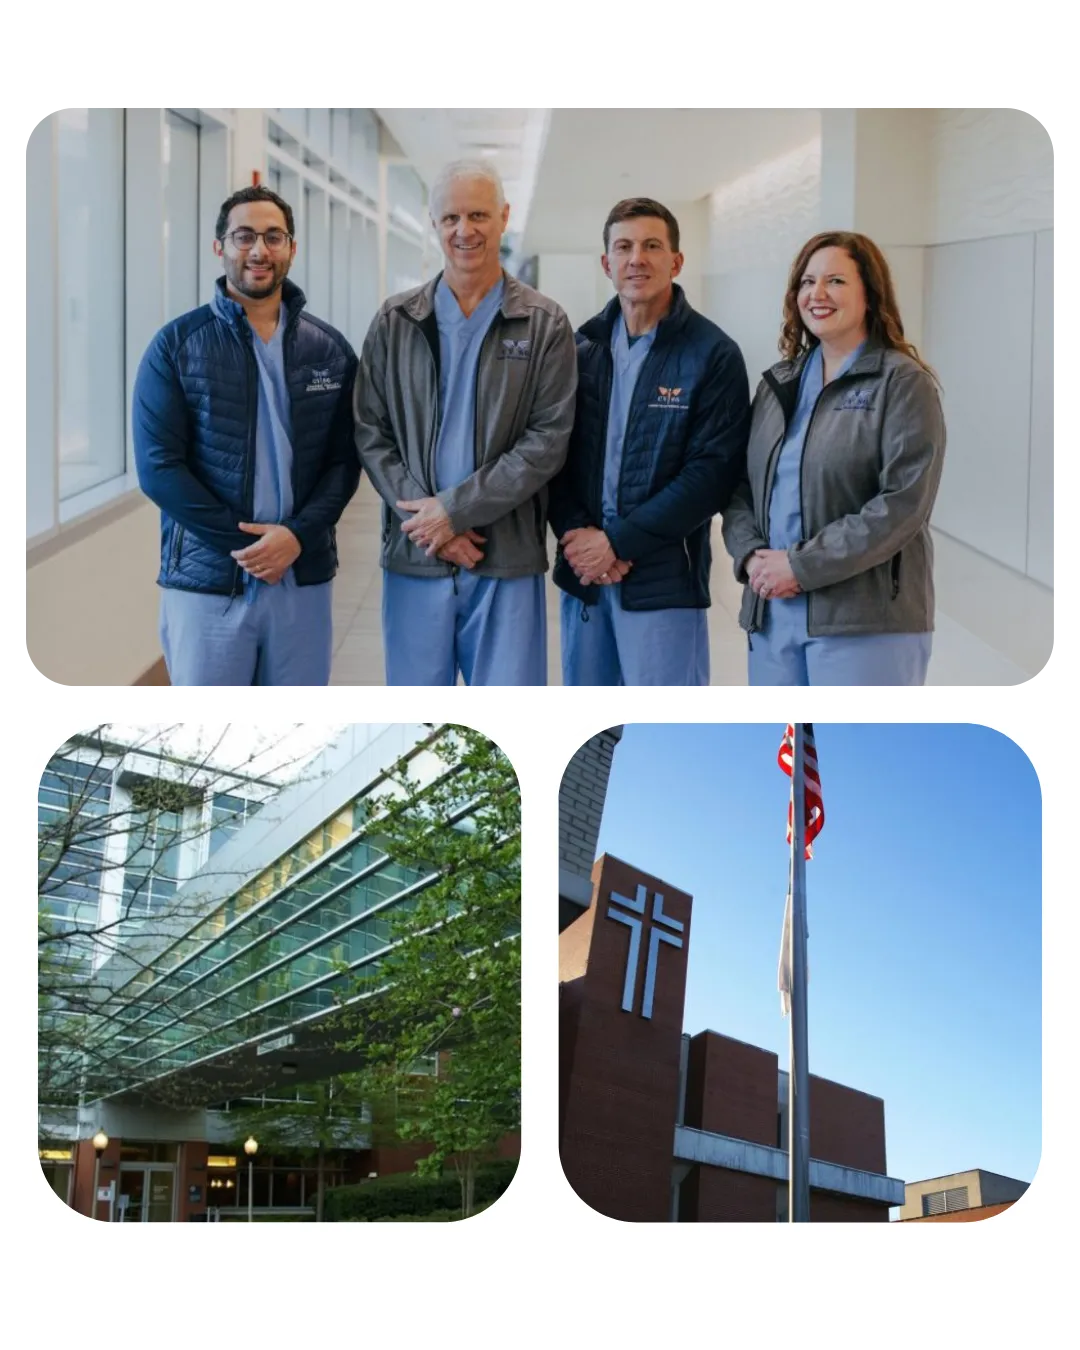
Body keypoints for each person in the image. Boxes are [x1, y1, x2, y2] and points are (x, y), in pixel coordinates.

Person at [353, 159, 577, 688]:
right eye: (451, 217)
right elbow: (370, 429)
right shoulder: (394, 321)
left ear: (503, 217)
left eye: (478, 215)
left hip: (504, 557)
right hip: (417, 552)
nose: (464, 230)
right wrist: (431, 524)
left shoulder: (545, 323)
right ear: (434, 224)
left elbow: (548, 439)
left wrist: (454, 511)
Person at [133, 185, 359, 688]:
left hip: (301, 576)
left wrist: (295, 537)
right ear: (220, 247)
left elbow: (345, 463)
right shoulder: (176, 346)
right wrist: (250, 548)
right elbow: (159, 469)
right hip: (210, 581)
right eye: (244, 236)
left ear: (291, 248)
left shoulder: (330, 350)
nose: (259, 250)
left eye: (273, 237)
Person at [721, 230, 946, 688]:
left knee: (857, 759)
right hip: (773, 613)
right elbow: (739, 485)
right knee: (782, 759)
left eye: (836, 281)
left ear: (870, 294)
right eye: (807, 282)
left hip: (862, 619)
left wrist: (800, 567)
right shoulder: (777, 384)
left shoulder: (901, 384)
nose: (817, 294)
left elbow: (902, 505)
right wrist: (750, 556)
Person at [548, 197, 750, 688]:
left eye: (652, 246)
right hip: (587, 580)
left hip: (662, 581)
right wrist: (577, 536)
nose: (637, 258)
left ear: (676, 261)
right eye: (624, 247)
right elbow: (552, 454)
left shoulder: (713, 354)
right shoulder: (581, 348)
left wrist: (615, 542)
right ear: (607, 263)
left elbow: (710, 476)